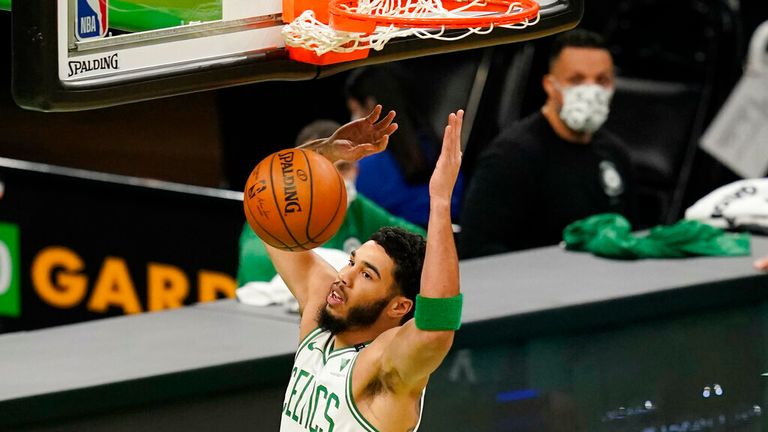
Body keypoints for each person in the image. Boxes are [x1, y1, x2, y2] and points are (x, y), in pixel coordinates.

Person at [269, 106, 465, 431]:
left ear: (399, 306)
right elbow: (272, 205)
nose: (344, 277)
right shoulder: (320, 313)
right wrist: (325, 153)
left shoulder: (384, 366)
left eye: (366, 274)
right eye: (352, 262)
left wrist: (440, 201)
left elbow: (436, 328)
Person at [459, 28, 636, 258]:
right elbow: (476, 248)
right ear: (550, 85)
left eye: (602, 80)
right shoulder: (511, 156)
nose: (591, 91)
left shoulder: (615, 153)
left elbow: (631, 234)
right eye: (576, 80)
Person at [236, 119, 426, 286]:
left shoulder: (358, 208)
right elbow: (255, 269)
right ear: (294, 174)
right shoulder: (271, 207)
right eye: (320, 168)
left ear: (357, 170)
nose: (332, 178)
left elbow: (421, 244)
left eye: (343, 167)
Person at [345, 64, 465, 227]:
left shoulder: (363, 168)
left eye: (355, 110)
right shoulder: (439, 149)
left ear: (372, 107)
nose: (353, 119)